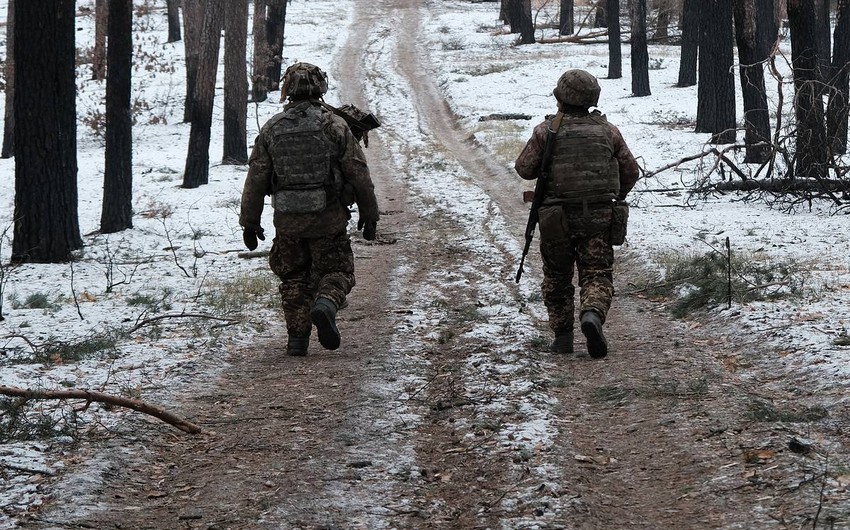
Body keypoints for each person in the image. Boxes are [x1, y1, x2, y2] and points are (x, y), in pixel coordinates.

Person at [239, 62, 380, 356]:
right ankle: (326, 303)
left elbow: (256, 176)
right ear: (321, 87)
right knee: (337, 270)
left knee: (293, 276)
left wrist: (249, 221)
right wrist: (369, 213)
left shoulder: (272, 129)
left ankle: (297, 339)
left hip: (287, 220)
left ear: (287, 89)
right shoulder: (335, 125)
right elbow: (358, 172)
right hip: (328, 217)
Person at [514, 69, 640, 359]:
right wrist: (616, 197)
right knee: (596, 273)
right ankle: (592, 315)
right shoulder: (609, 131)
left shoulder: (547, 132)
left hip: (556, 218)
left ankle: (562, 337)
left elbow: (523, 168)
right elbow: (631, 171)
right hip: (598, 217)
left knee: (557, 276)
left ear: (561, 97)